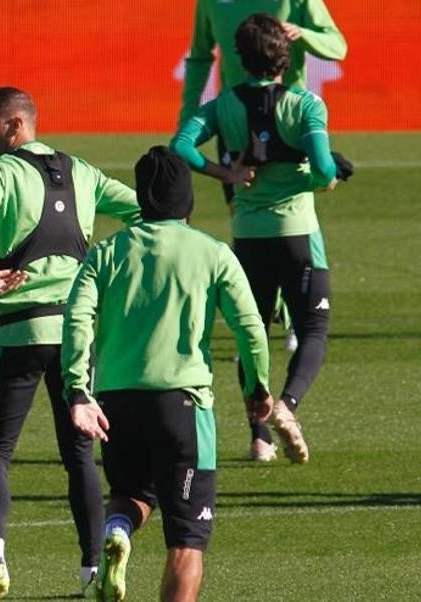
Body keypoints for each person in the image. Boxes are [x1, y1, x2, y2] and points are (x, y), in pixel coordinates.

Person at [62, 147, 272, 602]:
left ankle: (116, 532)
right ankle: (120, 536)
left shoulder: (106, 252)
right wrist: (258, 386)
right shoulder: (212, 252)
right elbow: (251, 328)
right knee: (186, 540)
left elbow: (76, 318)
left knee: (131, 492)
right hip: (182, 405)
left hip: (115, 401)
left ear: (141, 196)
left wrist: (78, 389)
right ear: (187, 197)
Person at [0, 86, 139, 602]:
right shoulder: (80, 169)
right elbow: (146, 212)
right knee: (80, 457)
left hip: (18, 331)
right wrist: (110, 273)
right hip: (74, 334)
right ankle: (90, 573)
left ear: (14, 127)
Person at [171, 14, 347, 465]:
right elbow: (326, 169)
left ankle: (258, 439)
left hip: (247, 237)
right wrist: (323, 179)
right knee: (313, 330)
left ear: (240, 58)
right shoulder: (305, 105)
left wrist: (224, 172)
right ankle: (286, 405)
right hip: (297, 235)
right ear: (286, 58)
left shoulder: (223, 105)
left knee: (254, 333)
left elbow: (181, 145)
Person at [179, 0, 346, 201]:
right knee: (241, 204)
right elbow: (200, 57)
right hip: (235, 115)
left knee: (293, 201)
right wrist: (188, 114)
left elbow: (337, 46)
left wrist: (303, 34)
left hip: (287, 114)